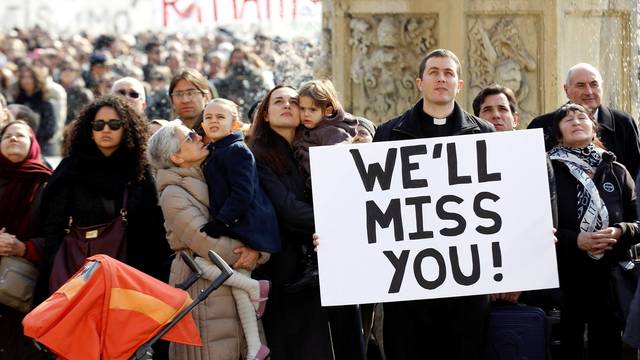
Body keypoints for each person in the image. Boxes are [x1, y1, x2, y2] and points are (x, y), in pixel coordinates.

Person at [373, 48, 495, 360]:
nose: (441, 79)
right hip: (408, 288)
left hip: (466, 283)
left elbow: (498, 198)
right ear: (419, 82)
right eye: (434, 73)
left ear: (460, 84)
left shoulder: (484, 133)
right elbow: (372, 203)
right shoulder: (389, 133)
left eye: (448, 73)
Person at [147, 121, 267, 360]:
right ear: (177, 158)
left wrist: (261, 249)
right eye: (190, 137)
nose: (199, 137)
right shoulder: (173, 193)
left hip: (229, 278)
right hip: (201, 285)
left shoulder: (212, 172)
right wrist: (251, 253)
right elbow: (205, 241)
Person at [41, 95, 169, 292]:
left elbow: (152, 226)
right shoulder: (71, 169)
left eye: (114, 124)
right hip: (77, 268)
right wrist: (56, 261)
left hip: (130, 269)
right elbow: (53, 223)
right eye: (99, 124)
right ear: (90, 130)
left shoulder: (138, 170)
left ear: (126, 128)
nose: (106, 130)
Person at [548, 103, 639, 359]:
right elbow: (537, 224)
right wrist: (575, 239)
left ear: (593, 127)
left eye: (582, 118)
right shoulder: (548, 170)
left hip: (609, 278)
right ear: (558, 133)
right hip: (566, 278)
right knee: (568, 347)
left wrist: (620, 231)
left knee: (608, 346)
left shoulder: (615, 169)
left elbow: (638, 221)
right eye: (568, 120)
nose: (576, 122)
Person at [248, 85, 333, 359]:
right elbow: (287, 209)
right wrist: (337, 217)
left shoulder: (313, 146)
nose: (287, 105)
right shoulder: (256, 155)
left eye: (294, 101)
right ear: (265, 114)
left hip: (318, 266)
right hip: (284, 269)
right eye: (278, 101)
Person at [199, 98, 277, 359]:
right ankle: (255, 346)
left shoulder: (237, 150)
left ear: (234, 124)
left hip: (247, 225)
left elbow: (243, 193)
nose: (213, 121)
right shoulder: (216, 151)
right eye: (208, 117)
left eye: (220, 117)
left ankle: (256, 345)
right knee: (238, 285)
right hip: (237, 223)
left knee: (235, 278)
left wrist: (221, 222)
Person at [528, 63, 640, 179]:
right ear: (566, 90)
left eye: (594, 84)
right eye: (580, 85)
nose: (589, 92)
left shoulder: (623, 123)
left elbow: (636, 172)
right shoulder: (541, 126)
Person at [0, 120, 52, 360]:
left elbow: (59, 235)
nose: (12, 139)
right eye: (7, 135)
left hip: (29, 287)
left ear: (33, 144)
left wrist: (23, 248)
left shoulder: (46, 182)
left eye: (20, 135)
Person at [13, 63, 58, 156]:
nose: (26, 80)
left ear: (36, 80)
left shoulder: (46, 104)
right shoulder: (15, 102)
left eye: (30, 77)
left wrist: (30, 141)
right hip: (17, 149)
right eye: (23, 77)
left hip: (40, 150)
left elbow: (49, 130)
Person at [169, 68, 212, 135]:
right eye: (178, 94)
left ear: (206, 97)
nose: (185, 100)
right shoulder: (169, 134)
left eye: (191, 93)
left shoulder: (217, 132)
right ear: (172, 100)